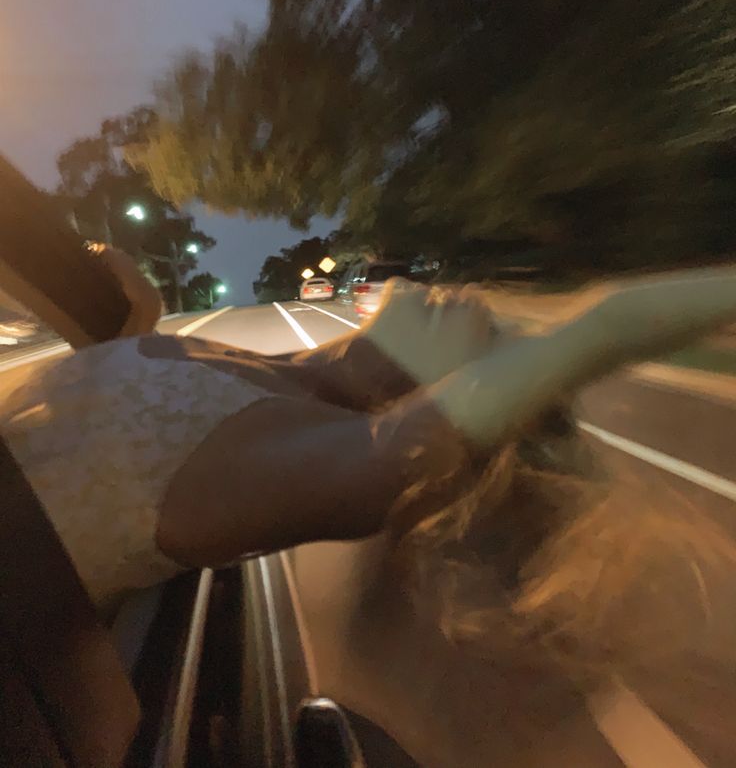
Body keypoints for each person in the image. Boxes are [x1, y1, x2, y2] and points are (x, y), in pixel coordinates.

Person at [2, 245, 736, 672]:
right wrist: (135, 316)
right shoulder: (270, 371)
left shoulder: (330, 467)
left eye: (496, 341)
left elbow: (610, 324)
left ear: (451, 393)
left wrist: (600, 327)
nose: (473, 301)